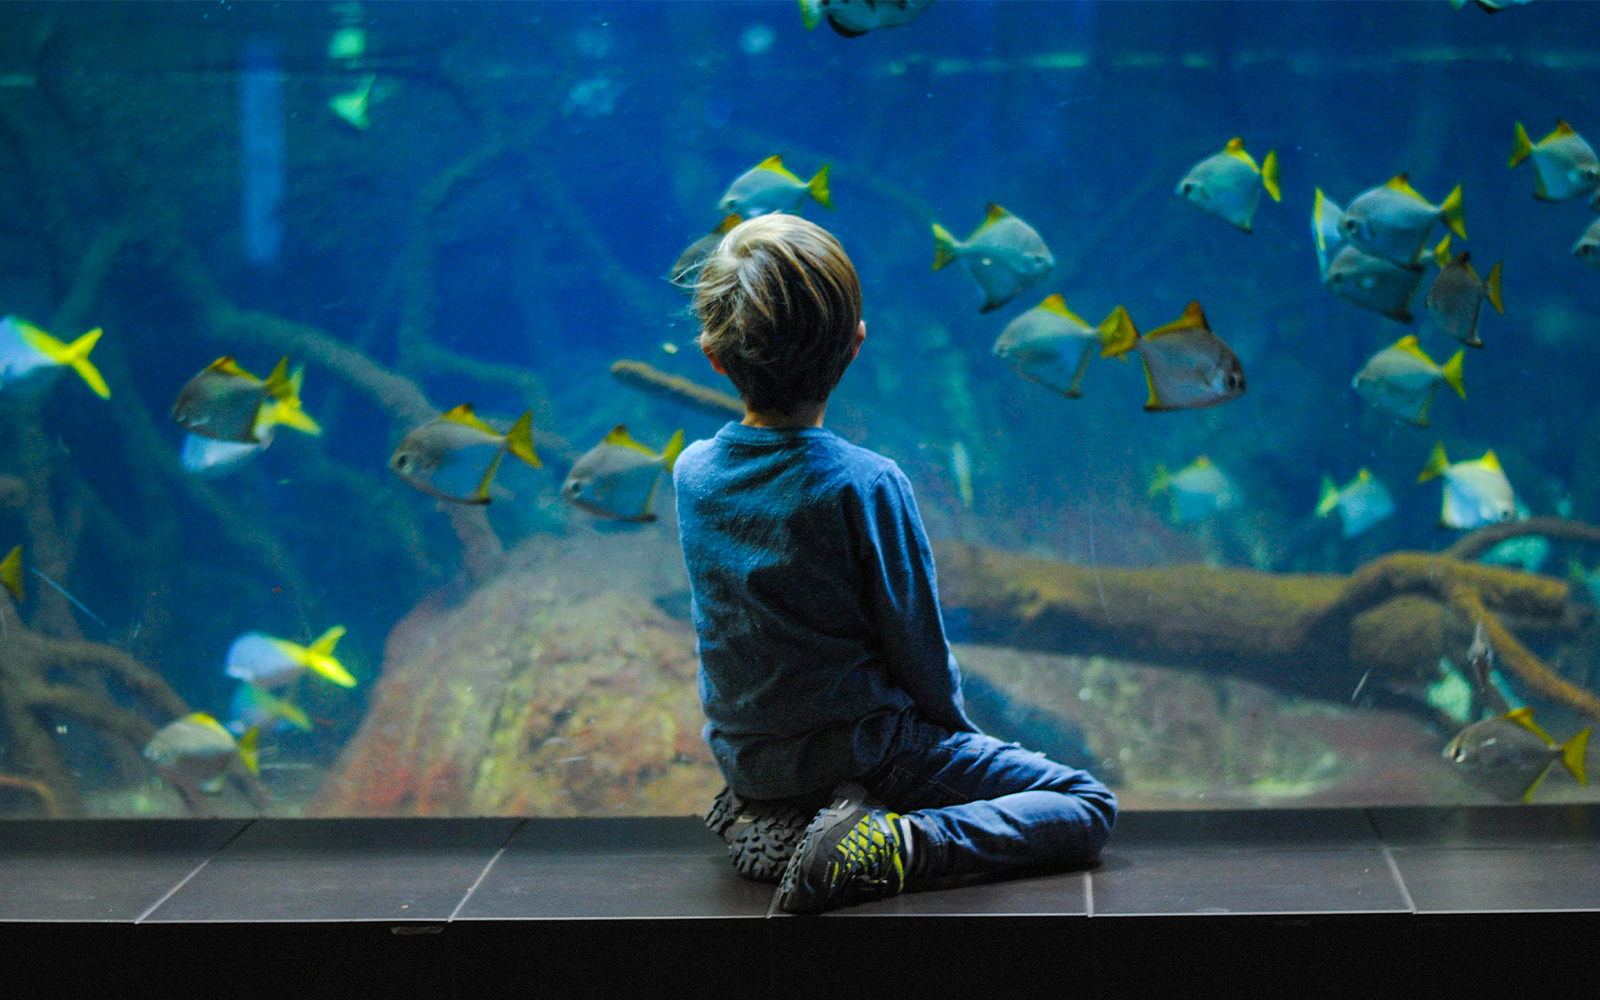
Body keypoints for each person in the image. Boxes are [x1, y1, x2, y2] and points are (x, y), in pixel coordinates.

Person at [674, 213, 1116, 914]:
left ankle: (777, 818)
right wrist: (956, 738)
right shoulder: (864, 482)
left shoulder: (692, 472)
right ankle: (898, 843)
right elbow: (917, 645)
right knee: (1084, 802)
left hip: (751, 760)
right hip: (866, 751)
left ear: (714, 356)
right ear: (855, 347)